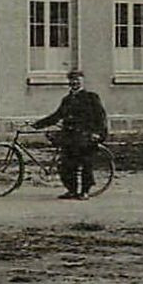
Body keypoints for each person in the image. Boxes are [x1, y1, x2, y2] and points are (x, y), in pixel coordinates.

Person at [32, 68, 109, 199]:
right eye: (72, 81)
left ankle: (85, 191)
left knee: (85, 163)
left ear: (82, 82)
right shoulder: (67, 100)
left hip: (86, 136)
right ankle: (71, 190)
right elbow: (56, 116)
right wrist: (37, 124)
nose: (75, 83)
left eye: (77, 80)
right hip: (69, 137)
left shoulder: (91, 97)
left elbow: (101, 117)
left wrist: (99, 134)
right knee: (66, 165)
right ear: (69, 82)